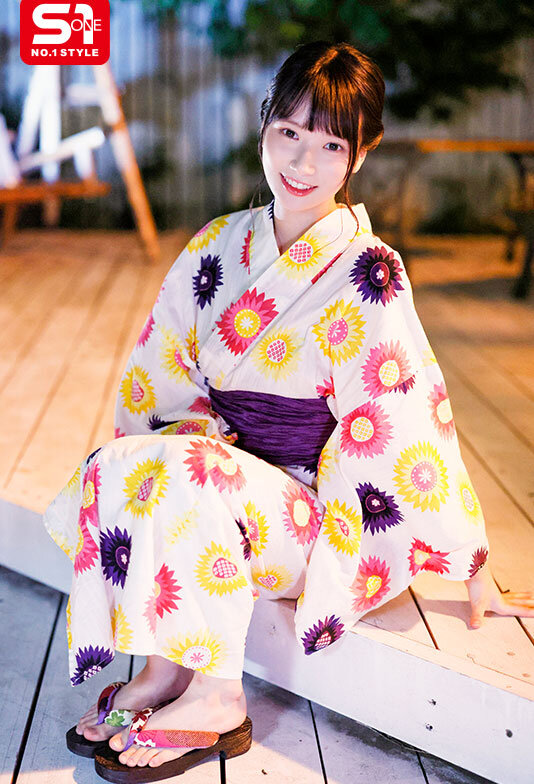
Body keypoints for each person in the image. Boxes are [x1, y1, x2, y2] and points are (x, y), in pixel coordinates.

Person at [44, 41, 534, 783]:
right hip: (217, 483)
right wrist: (203, 449)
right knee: (122, 460)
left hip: (305, 521)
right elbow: (158, 388)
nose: (303, 162)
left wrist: (469, 562)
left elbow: (404, 419)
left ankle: (218, 697)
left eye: (331, 144)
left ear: (362, 152)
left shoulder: (368, 271)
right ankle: (160, 670)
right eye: (290, 133)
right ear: (264, 125)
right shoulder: (216, 246)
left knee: (194, 470)